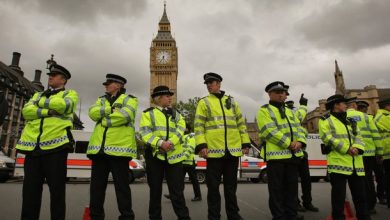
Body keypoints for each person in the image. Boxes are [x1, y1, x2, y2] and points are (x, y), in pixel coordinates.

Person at [16, 64, 78, 220]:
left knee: (56, 192)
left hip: (56, 147)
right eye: (50, 74)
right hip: (33, 149)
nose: (50, 77)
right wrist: (48, 111)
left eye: (54, 75)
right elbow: (26, 111)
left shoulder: (70, 94)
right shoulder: (38, 94)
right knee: (30, 192)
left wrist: (39, 105)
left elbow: (63, 106)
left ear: (63, 79)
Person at [194, 72, 250, 220]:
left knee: (231, 188)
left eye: (211, 83)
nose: (208, 85)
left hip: (232, 151)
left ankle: (233, 214)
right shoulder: (203, 102)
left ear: (219, 84)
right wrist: (201, 145)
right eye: (207, 83)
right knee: (213, 188)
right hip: (213, 152)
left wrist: (245, 142)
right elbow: (198, 126)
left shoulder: (232, 101)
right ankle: (214, 216)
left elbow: (240, 124)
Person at [87, 74, 137, 220]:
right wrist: (110, 111)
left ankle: (127, 217)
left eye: (108, 83)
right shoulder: (100, 99)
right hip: (99, 151)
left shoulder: (130, 99)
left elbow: (126, 115)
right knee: (96, 189)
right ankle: (96, 217)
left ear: (118, 85)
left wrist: (104, 120)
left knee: (122, 188)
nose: (105, 86)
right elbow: (92, 113)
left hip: (119, 150)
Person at [140, 85, 190, 220]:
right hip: (155, 157)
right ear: (158, 98)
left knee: (177, 192)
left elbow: (181, 130)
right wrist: (161, 143)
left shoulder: (177, 113)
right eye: (167, 96)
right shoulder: (147, 113)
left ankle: (184, 217)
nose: (170, 98)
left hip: (174, 158)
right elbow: (144, 133)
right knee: (155, 192)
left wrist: (170, 143)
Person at [257, 81, 305, 220]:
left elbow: (300, 128)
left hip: (293, 157)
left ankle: (291, 214)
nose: (280, 94)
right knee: (276, 191)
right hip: (276, 158)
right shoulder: (264, 110)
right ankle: (279, 216)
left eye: (282, 92)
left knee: (292, 190)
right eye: (277, 92)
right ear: (269, 94)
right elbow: (269, 131)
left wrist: (300, 142)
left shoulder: (291, 111)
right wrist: (289, 143)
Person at [319, 94, 370, 220]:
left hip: (356, 164)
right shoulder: (325, 120)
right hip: (339, 165)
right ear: (336, 105)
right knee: (338, 198)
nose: (346, 105)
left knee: (361, 197)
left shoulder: (351, 120)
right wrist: (347, 148)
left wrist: (358, 148)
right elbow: (327, 138)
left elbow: (359, 136)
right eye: (343, 103)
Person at [347, 98, 383, 214]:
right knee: (368, 180)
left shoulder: (343, 116)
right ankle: (370, 205)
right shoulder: (366, 117)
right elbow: (375, 135)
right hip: (368, 153)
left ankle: (360, 206)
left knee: (357, 181)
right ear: (354, 105)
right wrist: (380, 152)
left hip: (353, 152)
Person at [286, 96, 319, 213]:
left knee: (306, 180)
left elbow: (304, 136)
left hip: (302, 153)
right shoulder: (286, 119)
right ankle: (296, 204)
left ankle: (307, 202)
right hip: (290, 153)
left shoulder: (300, 126)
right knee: (293, 182)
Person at [357, 100, 386, 205]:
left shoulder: (354, 119)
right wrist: (380, 152)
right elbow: (376, 136)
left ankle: (374, 199)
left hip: (363, 154)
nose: (365, 110)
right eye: (364, 108)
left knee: (370, 178)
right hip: (372, 153)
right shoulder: (369, 118)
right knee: (378, 177)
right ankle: (379, 197)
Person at [164, 123, 202, 202]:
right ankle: (174, 195)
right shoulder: (180, 137)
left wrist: (182, 157)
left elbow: (191, 148)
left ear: (187, 129)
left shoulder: (190, 136)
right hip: (182, 162)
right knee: (179, 180)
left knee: (194, 180)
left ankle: (198, 196)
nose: (182, 129)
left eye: (184, 128)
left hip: (189, 163)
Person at [374, 98, 390, 208]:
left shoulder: (379, 116)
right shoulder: (384, 117)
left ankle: (384, 196)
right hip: (387, 151)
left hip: (384, 151)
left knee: (385, 177)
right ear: (386, 106)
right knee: (387, 177)